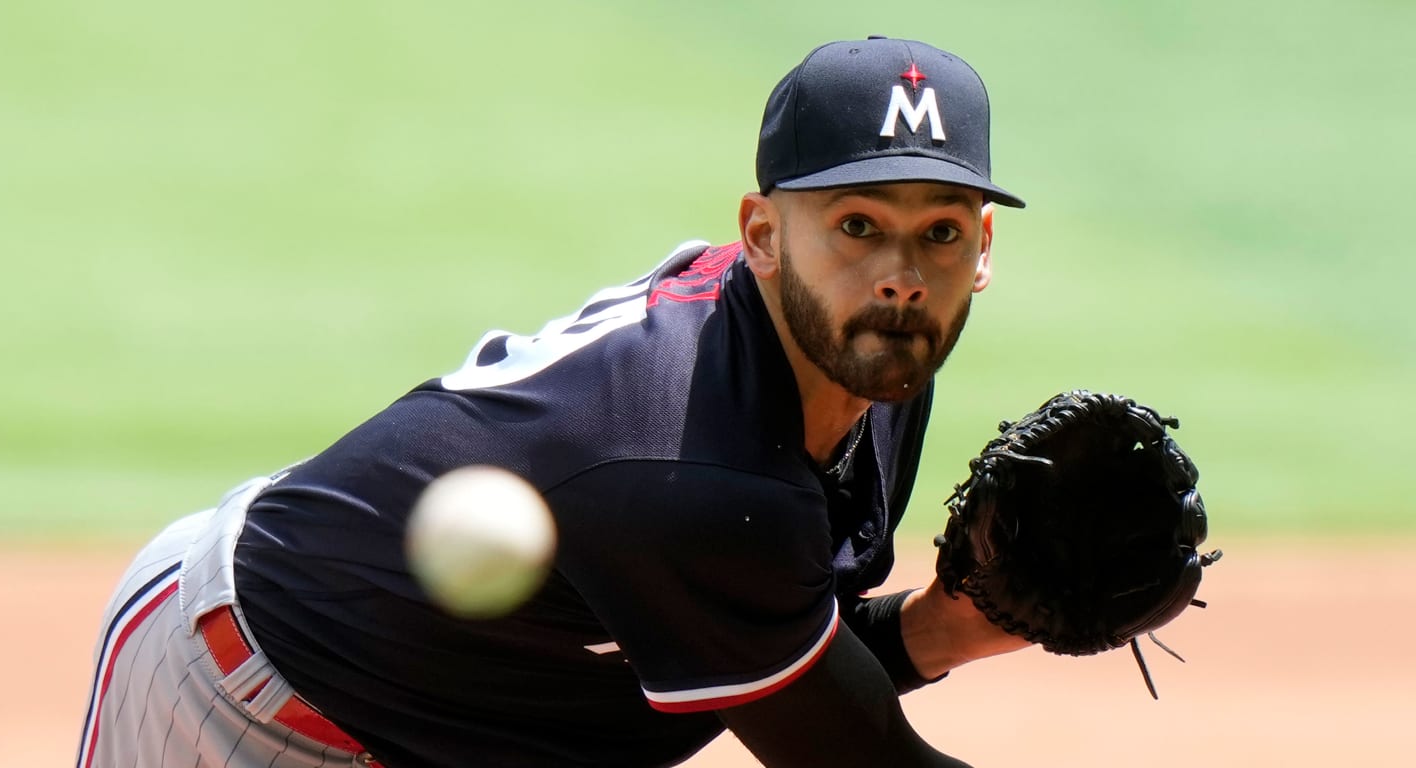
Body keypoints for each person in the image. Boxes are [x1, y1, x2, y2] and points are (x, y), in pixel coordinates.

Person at [76, 36, 1033, 768]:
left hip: (458, 706)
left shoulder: (869, 354)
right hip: (247, 704)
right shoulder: (690, 472)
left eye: (940, 232)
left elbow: (762, 655)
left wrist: (950, 625)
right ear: (762, 234)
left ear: (981, 251)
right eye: (857, 225)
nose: (902, 274)